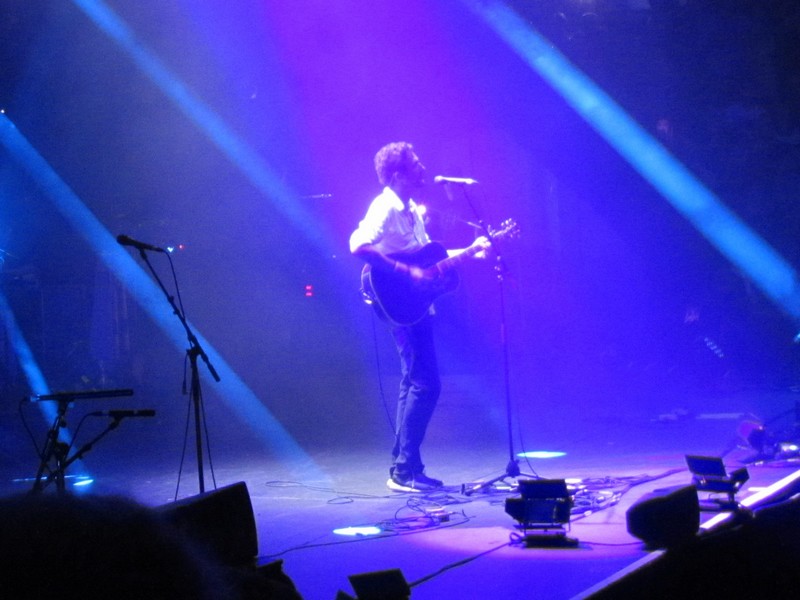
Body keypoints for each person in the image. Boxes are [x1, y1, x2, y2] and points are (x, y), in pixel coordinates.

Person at [349, 141, 488, 492]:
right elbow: (358, 245)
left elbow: (428, 259)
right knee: (426, 384)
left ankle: (405, 467)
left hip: (416, 306)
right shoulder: (384, 207)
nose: (423, 167)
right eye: (415, 163)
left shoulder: (411, 208)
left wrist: (473, 250)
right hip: (400, 306)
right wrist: (403, 271)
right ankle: (404, 469)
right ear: (398, 174)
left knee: (413, 382)